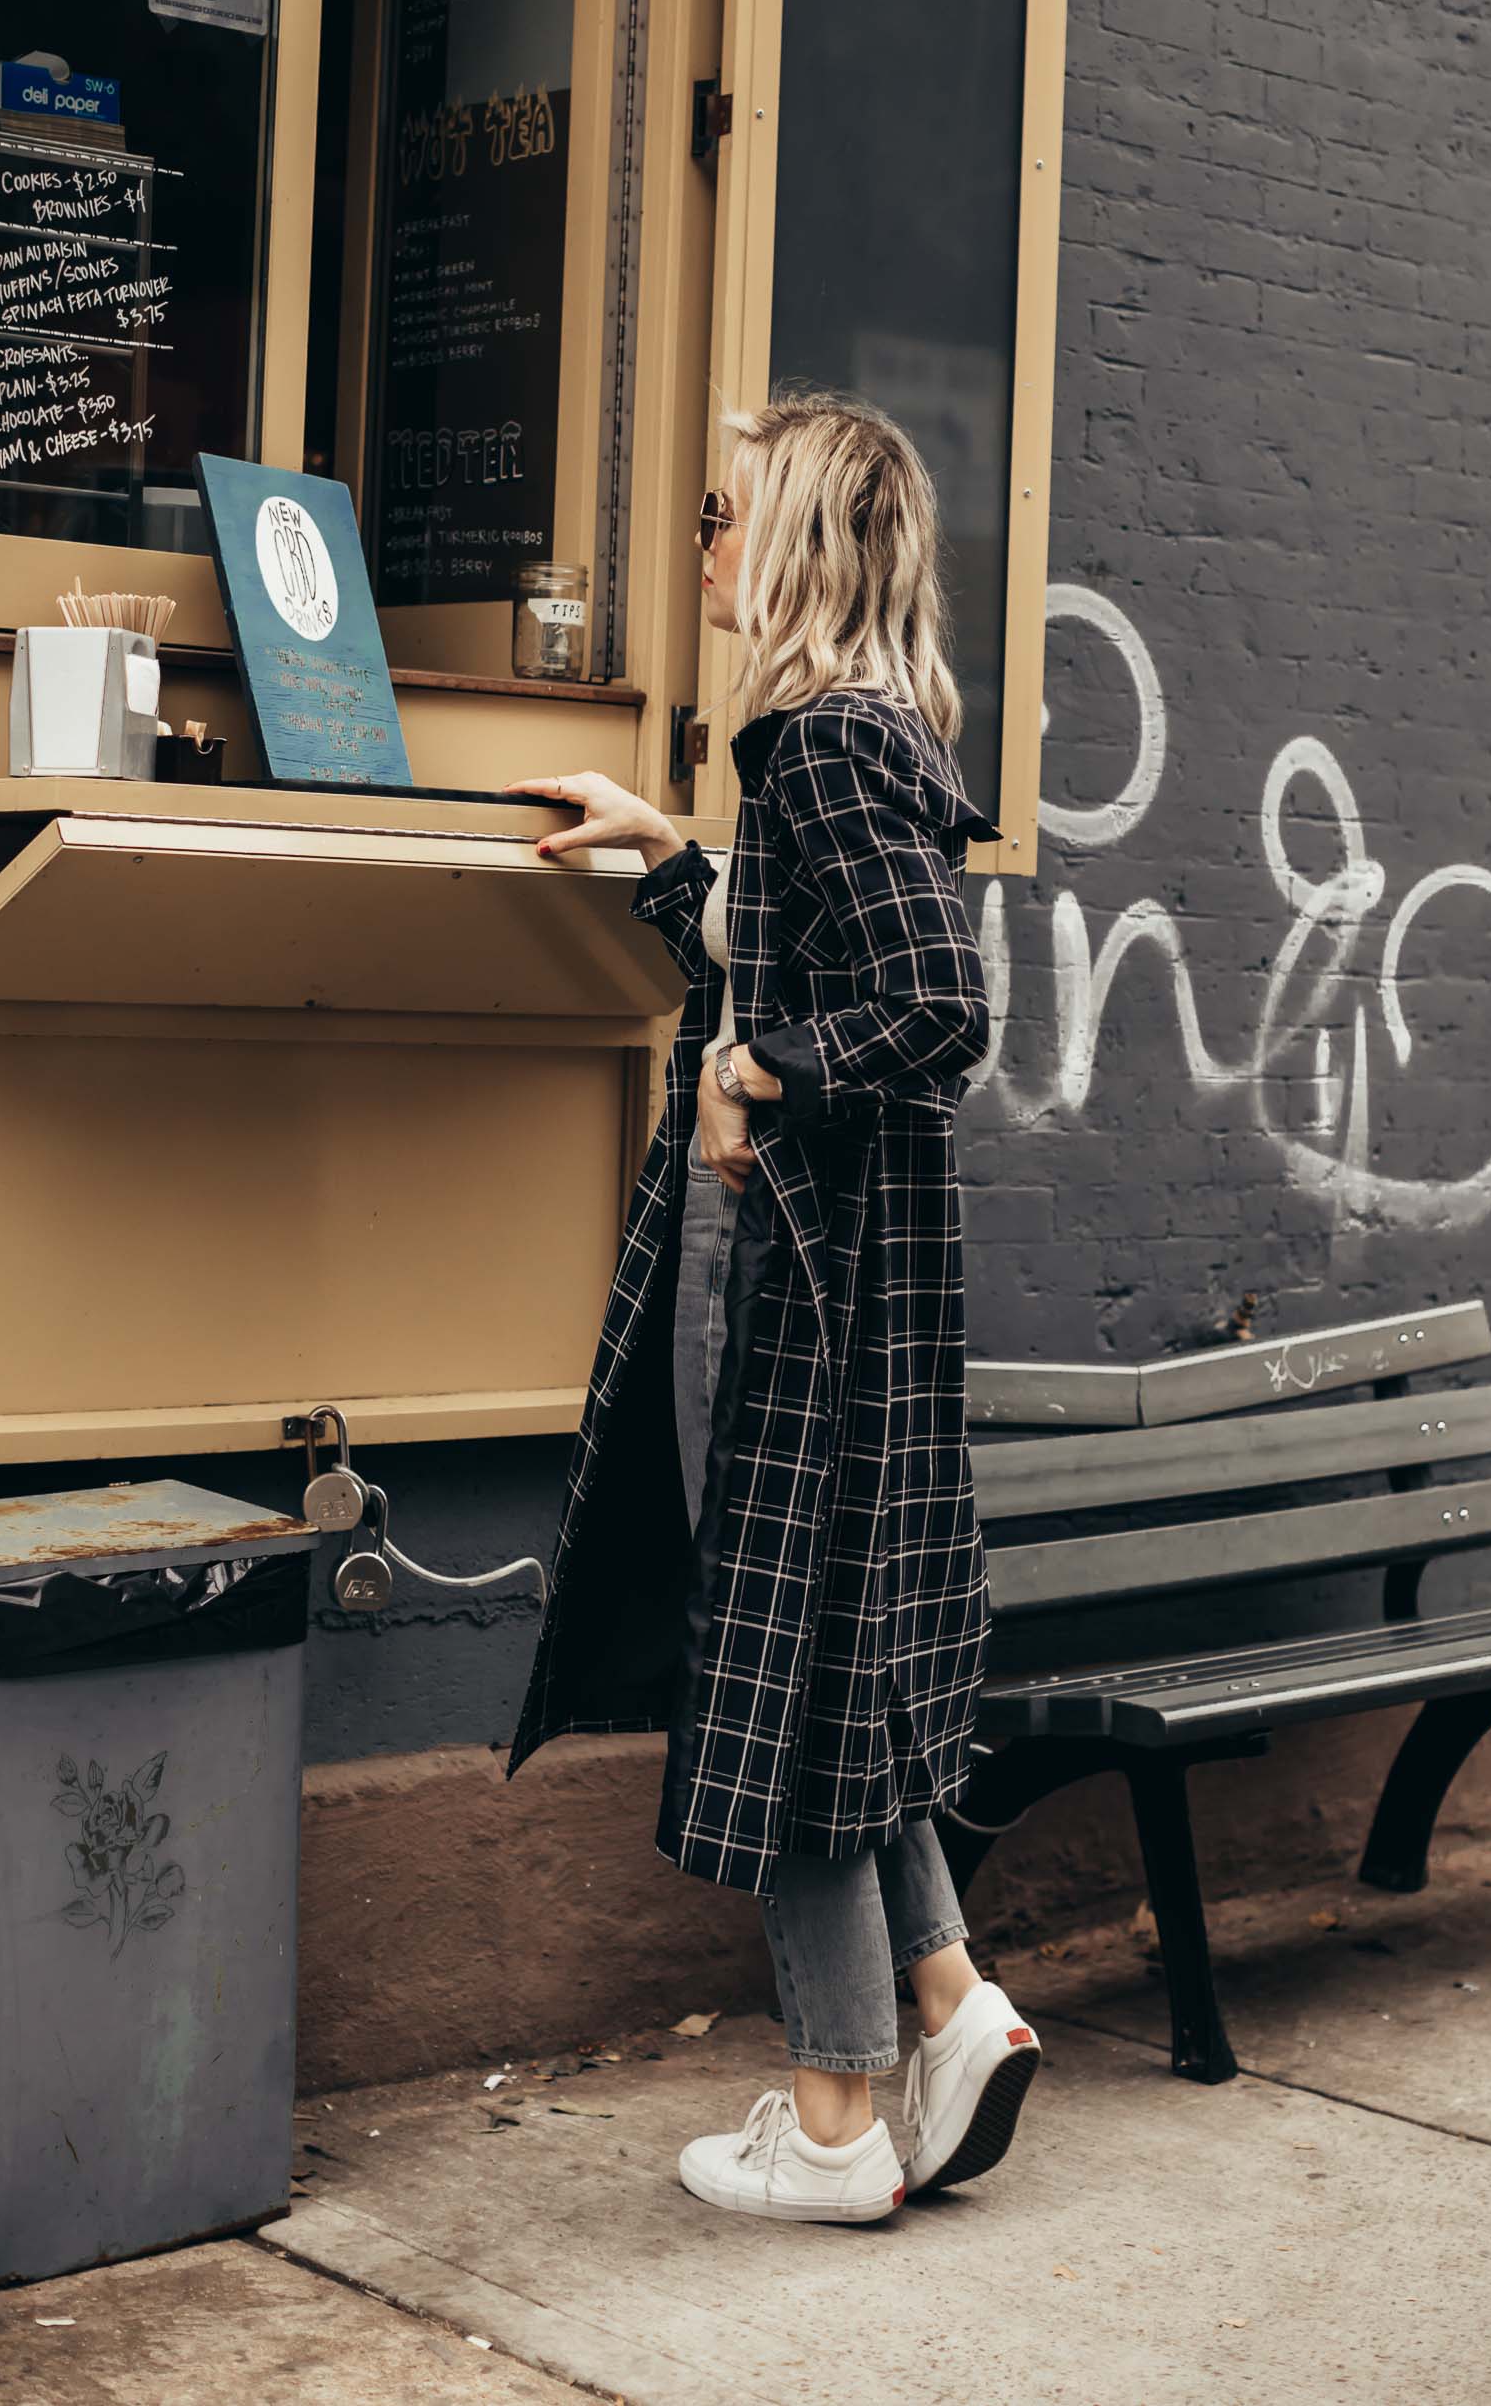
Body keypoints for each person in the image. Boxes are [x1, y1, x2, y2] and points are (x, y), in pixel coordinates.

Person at [504, 391, 1040, 2226]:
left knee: (791, 1671)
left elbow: (935, 1008)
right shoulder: (853, 744)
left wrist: (760, 1078)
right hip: (869, 1289)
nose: (706, 548)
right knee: (835, 1655)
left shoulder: (819, 746)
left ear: (801, 543)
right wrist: (666, 851)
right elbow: (811, 936)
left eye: (728, 518)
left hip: (819, 1291)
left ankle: (829, 2123)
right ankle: (954, 2010)